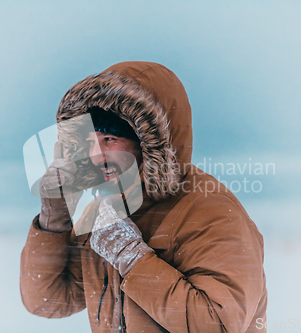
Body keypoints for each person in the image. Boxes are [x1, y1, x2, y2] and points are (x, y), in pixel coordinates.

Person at [20, 61, 267, 333]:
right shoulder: (105, 211)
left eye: (110, 140)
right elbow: (48, 301)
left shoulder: (211, 212)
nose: (95, 156)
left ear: (148, 143)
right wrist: (53, 219)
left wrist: (134, 258)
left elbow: (219, 326)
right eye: (89, 142)